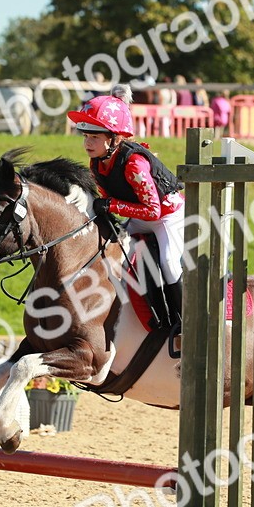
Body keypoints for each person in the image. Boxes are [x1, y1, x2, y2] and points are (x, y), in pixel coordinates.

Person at [68, 84, 186, 337]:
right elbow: (110, 198)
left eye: (94, 137)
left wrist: (111, 206)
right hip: (139, 215)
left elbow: (153, 210)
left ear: (113, 138)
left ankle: (187, 323)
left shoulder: (134, 163)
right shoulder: (97, 163)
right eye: (86, 136)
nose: (87, 143)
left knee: (168, 262)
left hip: (168, 216)